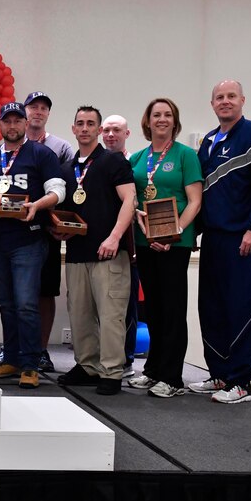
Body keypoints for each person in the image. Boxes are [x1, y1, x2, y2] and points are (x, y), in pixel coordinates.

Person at [192, 80, 251, 404]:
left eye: (231, 96)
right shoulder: (208, 143)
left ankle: (241, 382)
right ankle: (219, 374)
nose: (225, 101)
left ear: (242, 100)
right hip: (213, 240)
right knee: (212, 308)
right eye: (219, 97)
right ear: (212, 103)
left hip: (244, 241)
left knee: (241, 310)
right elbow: (200, 192)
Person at [0, 103, 65, 388]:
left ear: (25, 123)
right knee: (6, 304)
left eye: (18, 121)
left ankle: (31, 364)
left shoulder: (42, 154)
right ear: (0, 125)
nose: (13, 126)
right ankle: (12, 359)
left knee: (27, 304)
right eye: (8, 121)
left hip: (29, 239)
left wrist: (36, 205)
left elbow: (58, 191)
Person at [124, 98, 203, 398]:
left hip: (176, 243)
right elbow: (130, 198)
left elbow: (195, 200)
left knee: (172, 308)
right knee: (152, 309)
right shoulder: (139, 158)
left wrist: (176, 230)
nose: (162, 119)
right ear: (147, 121)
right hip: (145, 241)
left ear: (174, 121)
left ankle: (172, 378)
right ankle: (153, 369)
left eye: (167, 115)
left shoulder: (185, 156)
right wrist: (139, 217)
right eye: (156, 115)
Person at [55, 106, 136, 396]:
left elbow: (130, 201)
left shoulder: (112, 161)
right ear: (73, 129)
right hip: (77, 252)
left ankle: (112, 371)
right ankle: (87, 365)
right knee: (79, 313)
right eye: (80, 123)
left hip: (109, 253)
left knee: (111, 314)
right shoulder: (66, 169)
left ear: (99, 130)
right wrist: (58, 230)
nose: (85, 128)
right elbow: (63, 212)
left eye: (91, 124)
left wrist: (114, 238)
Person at [21, 91, 76, 373]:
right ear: (24, 111)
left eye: (43, 108)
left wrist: (60, 223)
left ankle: (41, 349)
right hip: (17, 231)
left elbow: (69, 192)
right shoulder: (10, 145)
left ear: (48, 114)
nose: (38, 112)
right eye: (33, 107)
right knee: (18, 294)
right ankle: (16, 347)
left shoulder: (62, 147)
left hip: (47, 231)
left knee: (44, 291)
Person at [102, 114, 139, 378]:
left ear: (127, 134)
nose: (110, 134)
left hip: (131, 245)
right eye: (107, 130)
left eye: (117, 130)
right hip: (98, 247)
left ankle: (125, 359)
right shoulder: (94, 164)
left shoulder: (136, 164)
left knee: (126, 306)